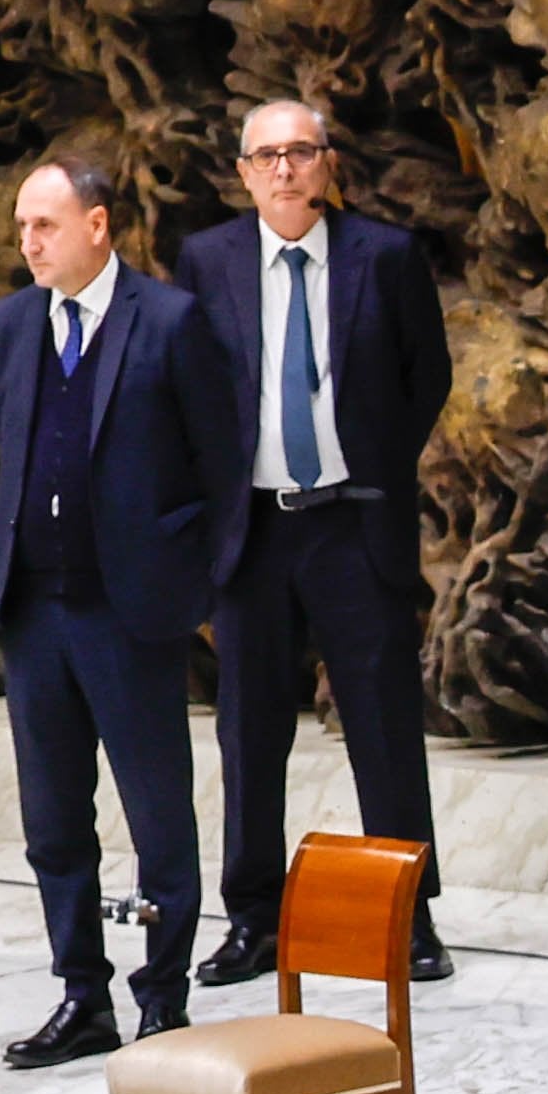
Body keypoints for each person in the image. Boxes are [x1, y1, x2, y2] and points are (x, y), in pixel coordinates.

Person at [181, 98, 456, 990]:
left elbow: (427, 375)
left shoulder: (387, 256)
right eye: (267, 156)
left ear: (329, 164)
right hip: (253, 528)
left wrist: (374, 460)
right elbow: (190, 387)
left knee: (382, 724)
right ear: (244, 171)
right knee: (249, 730)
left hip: (352, 517)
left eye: (301, 152)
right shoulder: (207, 260)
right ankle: (254, 919)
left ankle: (407, 918)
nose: (285, 170)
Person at [0, 156, 239, 1070]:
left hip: (130, 609)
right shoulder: (11, 324)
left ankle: (161, 997)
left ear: (98, 226)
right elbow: (10, 441)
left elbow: (223, 459)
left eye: (44, 226)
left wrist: (197, 579)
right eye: (21, 227)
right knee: (54, 817)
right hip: (35, 610)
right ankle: (80, 993)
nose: (28, 243)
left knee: (156, 810)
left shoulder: (168, 320)